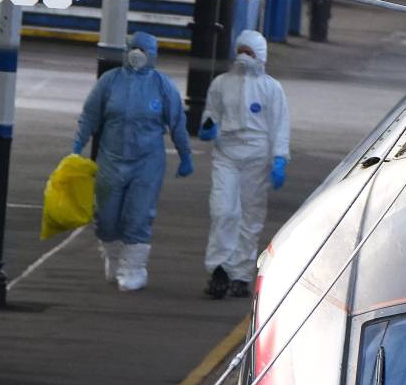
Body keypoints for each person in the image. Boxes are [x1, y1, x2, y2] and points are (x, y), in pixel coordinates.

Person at [72, 32, 193, 291]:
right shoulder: (110, 82)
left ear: (153, 55)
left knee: (138, 216)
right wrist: (76, 146)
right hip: (111, 160)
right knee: (106, 217)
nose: (137, 54)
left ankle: (134, 268)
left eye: (143, 50)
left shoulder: (163, 86)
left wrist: (185, 155)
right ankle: (114, 258)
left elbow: (177, 124)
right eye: (133, 48)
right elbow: (89, 116)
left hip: (147, 163)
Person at [198, 29, 290, 299]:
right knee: (224, 211)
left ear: (260, 55)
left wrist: (279, 158)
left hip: (257, 157)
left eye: (248, 52)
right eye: (240, 50)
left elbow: (280, 125)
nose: (243, 56)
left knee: (250, 217)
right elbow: (211, 113)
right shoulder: (221, 83)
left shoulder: (272, 88)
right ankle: (219, 269)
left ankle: (240, 273)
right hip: (226, 154)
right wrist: (209, 127)